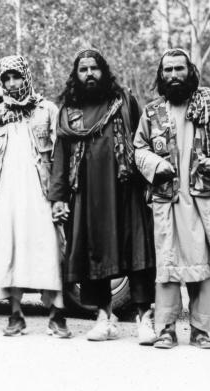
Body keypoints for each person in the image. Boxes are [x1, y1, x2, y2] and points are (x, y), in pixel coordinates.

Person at [49, 49, 157, 342]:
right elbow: (60, 156)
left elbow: (143, 141)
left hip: (126, 190)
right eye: (82, 70)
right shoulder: (68, 111)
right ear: (76, 75)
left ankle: (144, 319)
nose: (89, 75)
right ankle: (103, 318)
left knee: (136, 253)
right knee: (90, 255)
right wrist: (58, 198)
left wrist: (150, 182)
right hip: (86, 195)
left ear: (104, 71)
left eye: (94, 68)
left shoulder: (123, 101)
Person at [133, 48, 210, 349]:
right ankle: (166, 330)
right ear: (161, 75)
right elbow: (138, 149)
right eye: (168, 70)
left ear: (190, 71)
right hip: (168, 202)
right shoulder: (152, 113)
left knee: (202, 265)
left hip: (201, 202)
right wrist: (156, 164)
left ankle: (201, 331)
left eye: (180, 69)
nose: (174, 75)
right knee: (167, 265)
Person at [0, 55, 68, 338]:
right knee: (8, 251)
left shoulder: (47, 110)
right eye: (6, 78)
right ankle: (15, 315)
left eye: (16, 76)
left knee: (48, 250)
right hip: (5, 195)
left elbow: (59, 156)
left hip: (40, 193)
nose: (13, 83)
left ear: (26, 75)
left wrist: (59, 196)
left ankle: (57, 315)